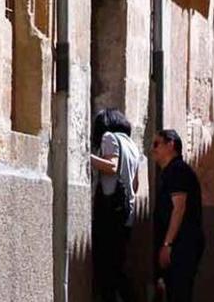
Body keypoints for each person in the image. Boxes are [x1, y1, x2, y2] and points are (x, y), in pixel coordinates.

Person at [90, 108, 141, 302]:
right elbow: (135, 185)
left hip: (109, 211)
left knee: (106, 271)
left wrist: (84, 156)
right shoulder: (132, 145)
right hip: (126, 213)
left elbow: (111, 166)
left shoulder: (109, 138)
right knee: (118, 267)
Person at [150, 129, 205, 302]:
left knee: (179, 293)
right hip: (179, 245)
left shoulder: (177, 171)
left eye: (157, 144)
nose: (153, 149)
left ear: (170, 145)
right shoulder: (171, 172)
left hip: (182, 245)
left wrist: (168, 244)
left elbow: (179, 207)